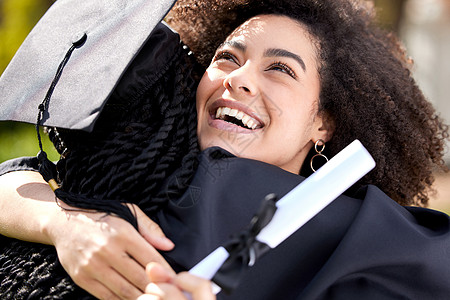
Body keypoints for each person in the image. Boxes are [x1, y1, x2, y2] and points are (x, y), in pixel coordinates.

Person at [0, 0, 449, 299]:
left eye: (280, 69)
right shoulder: (151, 159)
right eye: (227, 58)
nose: (239, 78)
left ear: (323, 122)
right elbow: (12, 181)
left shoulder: (362, 235)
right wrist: (65, 224)